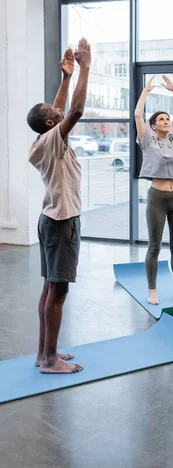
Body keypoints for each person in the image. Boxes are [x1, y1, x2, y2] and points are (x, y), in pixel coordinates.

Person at [27, 38, 91, 374]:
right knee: (59, 290)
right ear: (52, 124)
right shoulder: (55, 136)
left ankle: (43, 353)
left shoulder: (41, 139)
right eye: (53, 112)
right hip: (62, 220)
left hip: (48, 219)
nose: (58, 108)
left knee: (49, 287)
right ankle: (50, 360)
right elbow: (76, 110)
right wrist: (85, 69)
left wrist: (65, 78)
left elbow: (58, 111)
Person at [135, 75, 173, 306]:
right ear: (153, 126)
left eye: (168, 118)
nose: (167, 121)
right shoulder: (148, 141)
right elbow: (137, 115)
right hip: (157, 197)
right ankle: (152, 289)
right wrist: (145, 92)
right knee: (155, 246)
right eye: (162, 119)